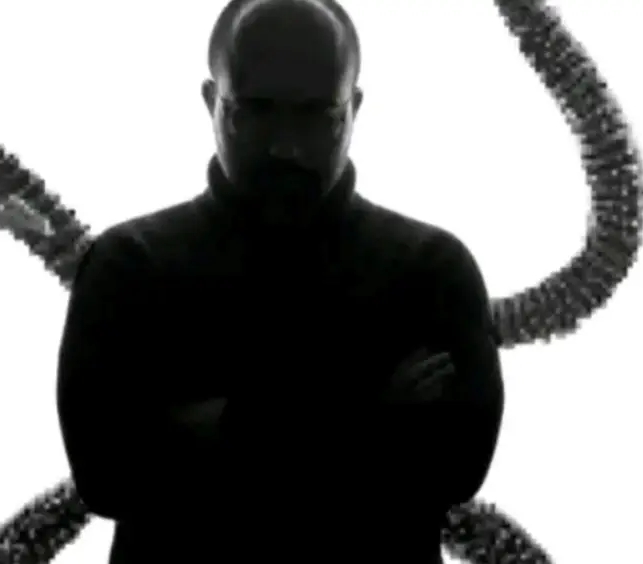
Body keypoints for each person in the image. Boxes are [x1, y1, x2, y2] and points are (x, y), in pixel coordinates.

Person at [55, 0, 504, 562]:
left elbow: (457, 468)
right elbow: (106, 475)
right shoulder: (127, 265)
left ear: (355, 106)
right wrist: (368, 419)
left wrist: (212, 430)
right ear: (210, 101)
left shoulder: (434, 268)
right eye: (256, 112)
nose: (285, 146)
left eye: (315, 115)